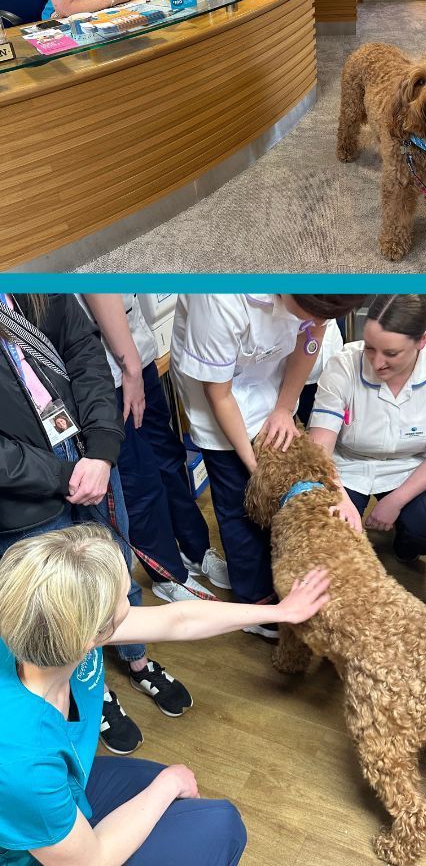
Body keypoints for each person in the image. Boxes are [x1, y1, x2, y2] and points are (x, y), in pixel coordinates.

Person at [0, 523, 328, 866]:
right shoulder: (22, 761)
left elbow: (179, 620)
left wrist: (280, 612)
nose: (130, 592)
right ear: (89, 637)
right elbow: (91, 860)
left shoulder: (39, 626)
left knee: (188, 807)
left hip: (66, 784)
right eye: (123, 596)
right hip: (44, 850)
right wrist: (167, 785)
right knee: (222, 824)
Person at [0, 293, 190, 757]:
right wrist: (62, 475)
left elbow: (84, 351)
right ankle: (94, 692)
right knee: (61, 605)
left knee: (117, 572)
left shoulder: (33, 284)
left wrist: (103, 449)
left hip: (88, 455)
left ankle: (137, 658)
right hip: (25, 495)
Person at [169, 295, 366, 638]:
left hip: (271, 381)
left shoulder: (318, 296)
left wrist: (284, 408)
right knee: (239, 502)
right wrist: (254, 467)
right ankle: (255, 604)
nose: (315, 320)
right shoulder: (218, 298)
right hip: (220, 396)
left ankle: (279, 581)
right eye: (310, 313)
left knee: (276, 500)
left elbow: (311, 335)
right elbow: (220, 394)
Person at [308, 295, 426, 562]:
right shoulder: (343, 363)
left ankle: (407, 546)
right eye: (370, 349)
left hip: (415, 466)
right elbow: (318, 449)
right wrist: (339, 497)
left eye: (391, 353)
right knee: (324, 531)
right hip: (348, 466)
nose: (377, 363)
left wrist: (397, 500)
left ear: (422, 340)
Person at [81, 296, 230, 604]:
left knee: (168, 458)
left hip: (137, 349)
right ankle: (168, 575)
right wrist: (131, 367)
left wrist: (137, 362)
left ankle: (195, 550)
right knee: (139, 479)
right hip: (105, 370)